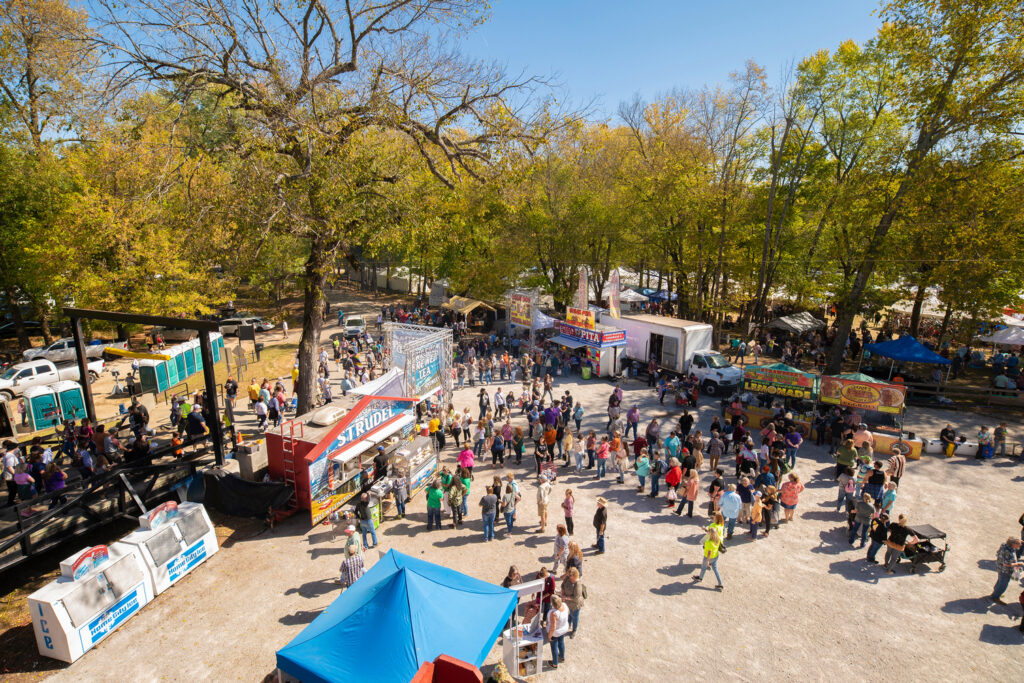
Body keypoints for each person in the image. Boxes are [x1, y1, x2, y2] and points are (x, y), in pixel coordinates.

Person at [693, 520, 724, 590]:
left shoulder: (708, 542)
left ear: (710, 534)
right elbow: (711, 532)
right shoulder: (717, 538)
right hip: (715, 556)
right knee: (716, 570)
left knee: (703, 568)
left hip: (708, 557)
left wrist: (707, 561)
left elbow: (709, 552)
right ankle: (720, 583)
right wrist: (705, 529)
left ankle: (700, 578)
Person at [992, 538, 1024, 604]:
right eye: (1019, 544)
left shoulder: (1005, 546)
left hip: (1000, 568)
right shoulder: (1008, 552)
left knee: (1000, 581)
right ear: (1013, 544)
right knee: (1003, 585)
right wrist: (1018, 564)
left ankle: (996, 593)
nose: (1020, 546)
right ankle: (995, 597)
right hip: (1005, 570)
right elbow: (1006, 564)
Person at [546, 594, 570, 669]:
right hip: (564, 629)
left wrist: (549, 636)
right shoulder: (565, 605)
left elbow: (553, 627)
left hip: (556, 633)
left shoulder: (554, 613)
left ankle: (555, 664)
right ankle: (562, 657)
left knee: (554, 648)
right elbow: (568, 613)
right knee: (561, 643)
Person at [560, 567, 585, 638]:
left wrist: (566, 598)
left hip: (574, 604)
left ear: (575, 575)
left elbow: (576, 597)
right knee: (568, 615)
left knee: (574, 617)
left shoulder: (577, 584)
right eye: (569, 575)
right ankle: (568, 625)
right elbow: (562, 585)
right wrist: (562, 593)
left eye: (571, 576)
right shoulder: (568, 578)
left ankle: (574, 630)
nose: (569, 577)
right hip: (567, 602)